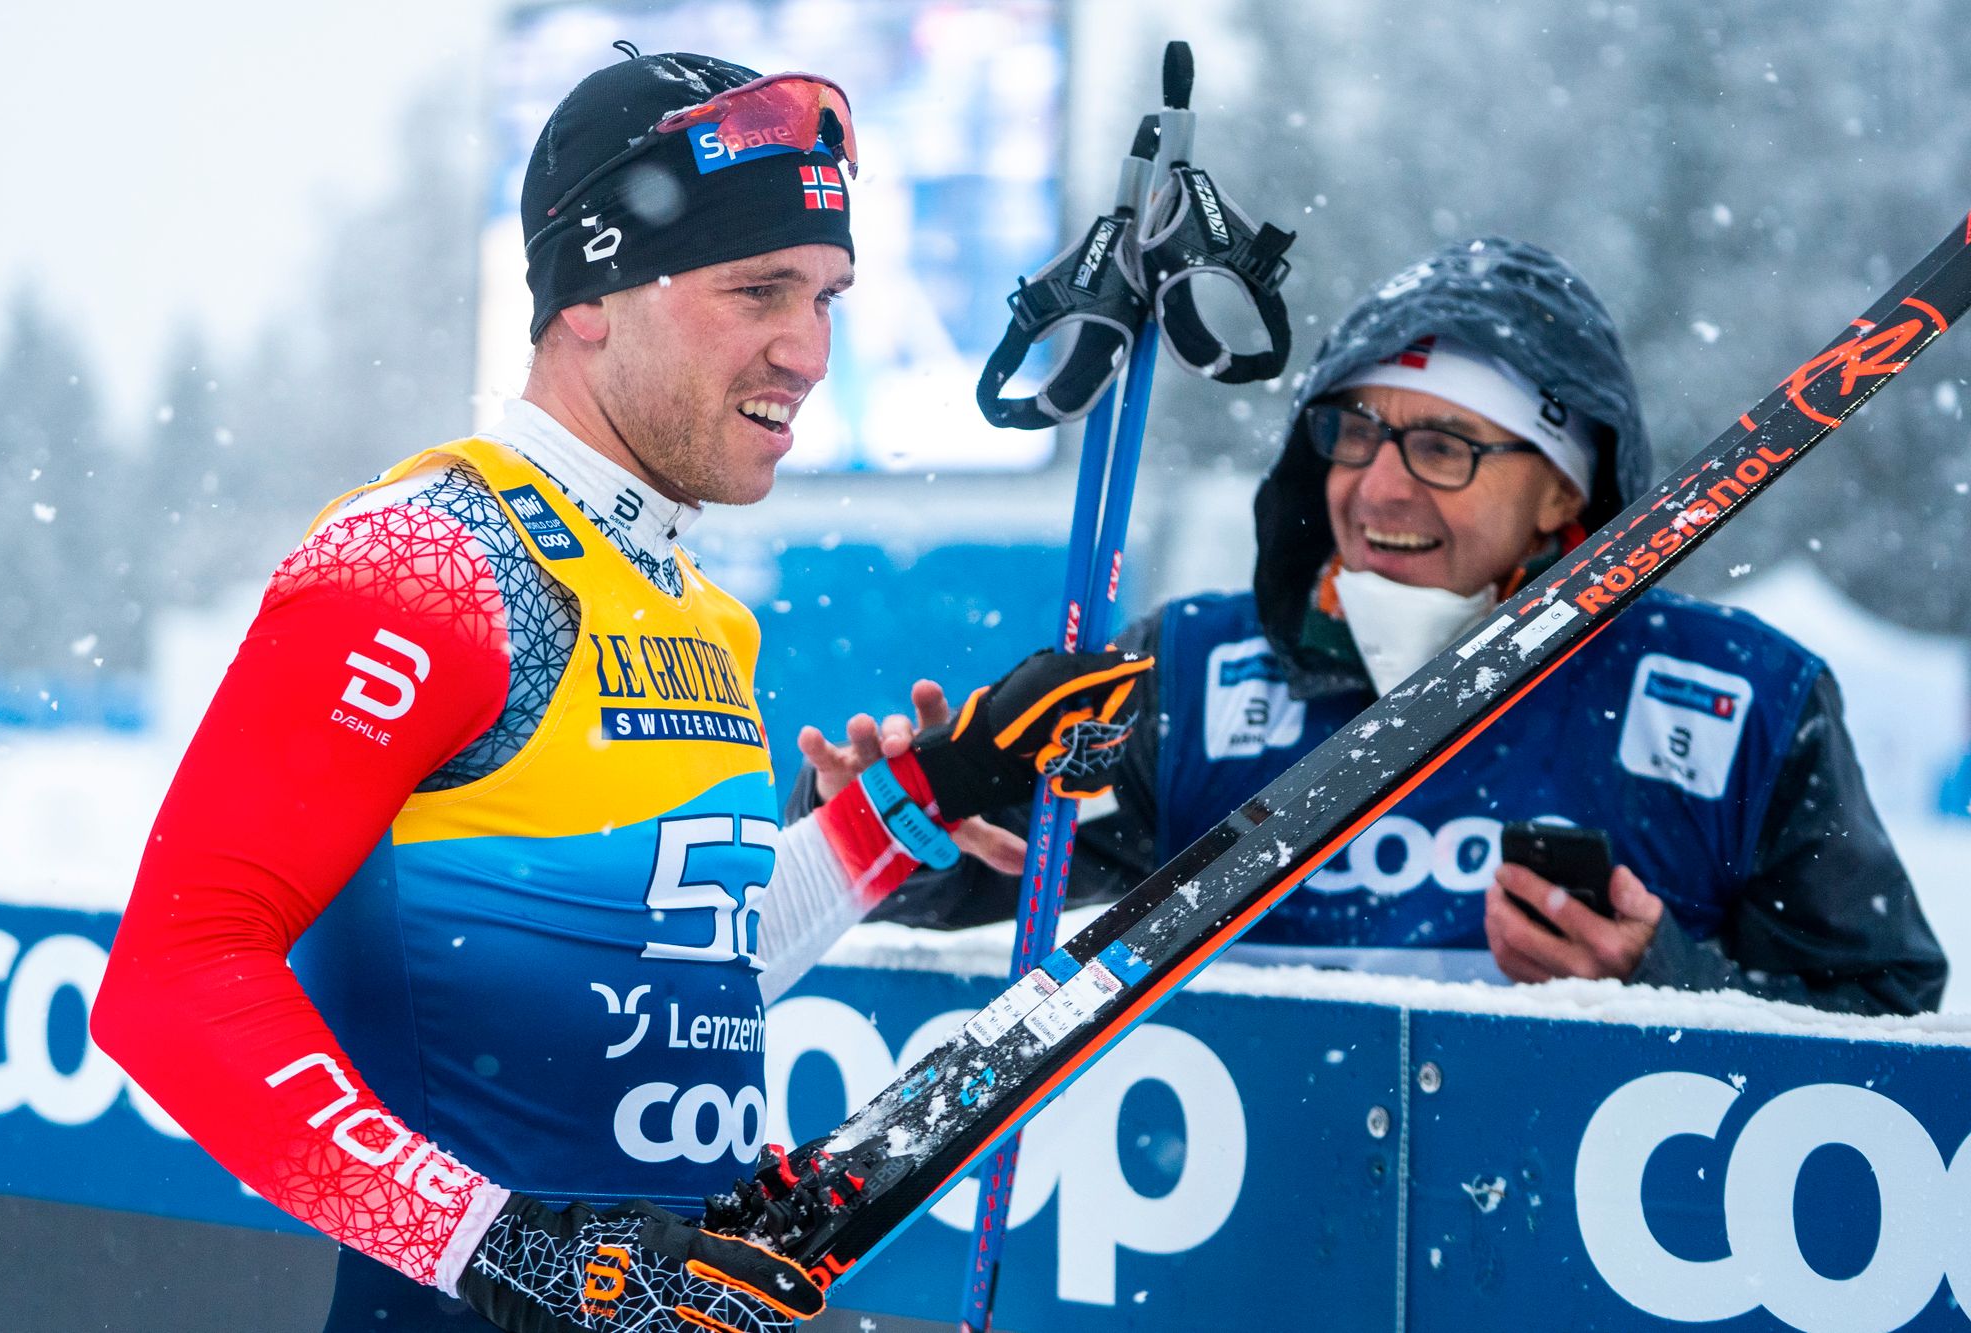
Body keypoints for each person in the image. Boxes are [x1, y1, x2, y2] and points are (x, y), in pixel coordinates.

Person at [91, 49, 1149, 1333]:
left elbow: (692, 959)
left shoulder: (698, 609)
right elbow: (173, 978)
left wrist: (927, 794)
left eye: (827, 298)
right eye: (759, 288)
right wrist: (513, 1250)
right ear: (592, 295)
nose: (809, 350)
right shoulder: (427, 557)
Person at [794, 236, 1947, 1016]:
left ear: (1563, 491)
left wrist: (1667, 985)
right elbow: (975, 873)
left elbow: (1888, 1040)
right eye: (1355, 434)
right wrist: (876, 819)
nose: (1378, 489)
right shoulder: (1194, 669)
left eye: (1444, 448)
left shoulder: (1740, 697)